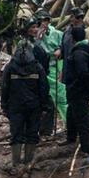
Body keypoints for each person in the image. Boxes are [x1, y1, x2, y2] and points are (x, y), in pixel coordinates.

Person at [0, 19, 50, 171]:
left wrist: (4, 105)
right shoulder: (37, 67)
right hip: (33, 106)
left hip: (15, 106)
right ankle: (28, 162)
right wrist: (44, 105)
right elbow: (44, 88)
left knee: (16, 133)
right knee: (32, 133)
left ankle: (16, 163)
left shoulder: (10, 67)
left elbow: (4, 87)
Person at [63, 25, 89, 158]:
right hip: (78, 91)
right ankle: (71, 138)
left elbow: (84, 74)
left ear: (73, 38)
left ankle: (87, 149)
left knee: (83, 120)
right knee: (72, 114)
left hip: (79, 91)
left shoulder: (78, 53)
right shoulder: (86, 51)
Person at [35, 10, 66, 138]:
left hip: (54, 67)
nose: (44, 24)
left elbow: (64, 48)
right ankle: (42, 129)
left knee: (61, 96)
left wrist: (60, 50)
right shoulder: (33, 36)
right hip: (40, 70)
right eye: (41, 21)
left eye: (46, 21)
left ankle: (67, 122)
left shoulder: (57, 34)